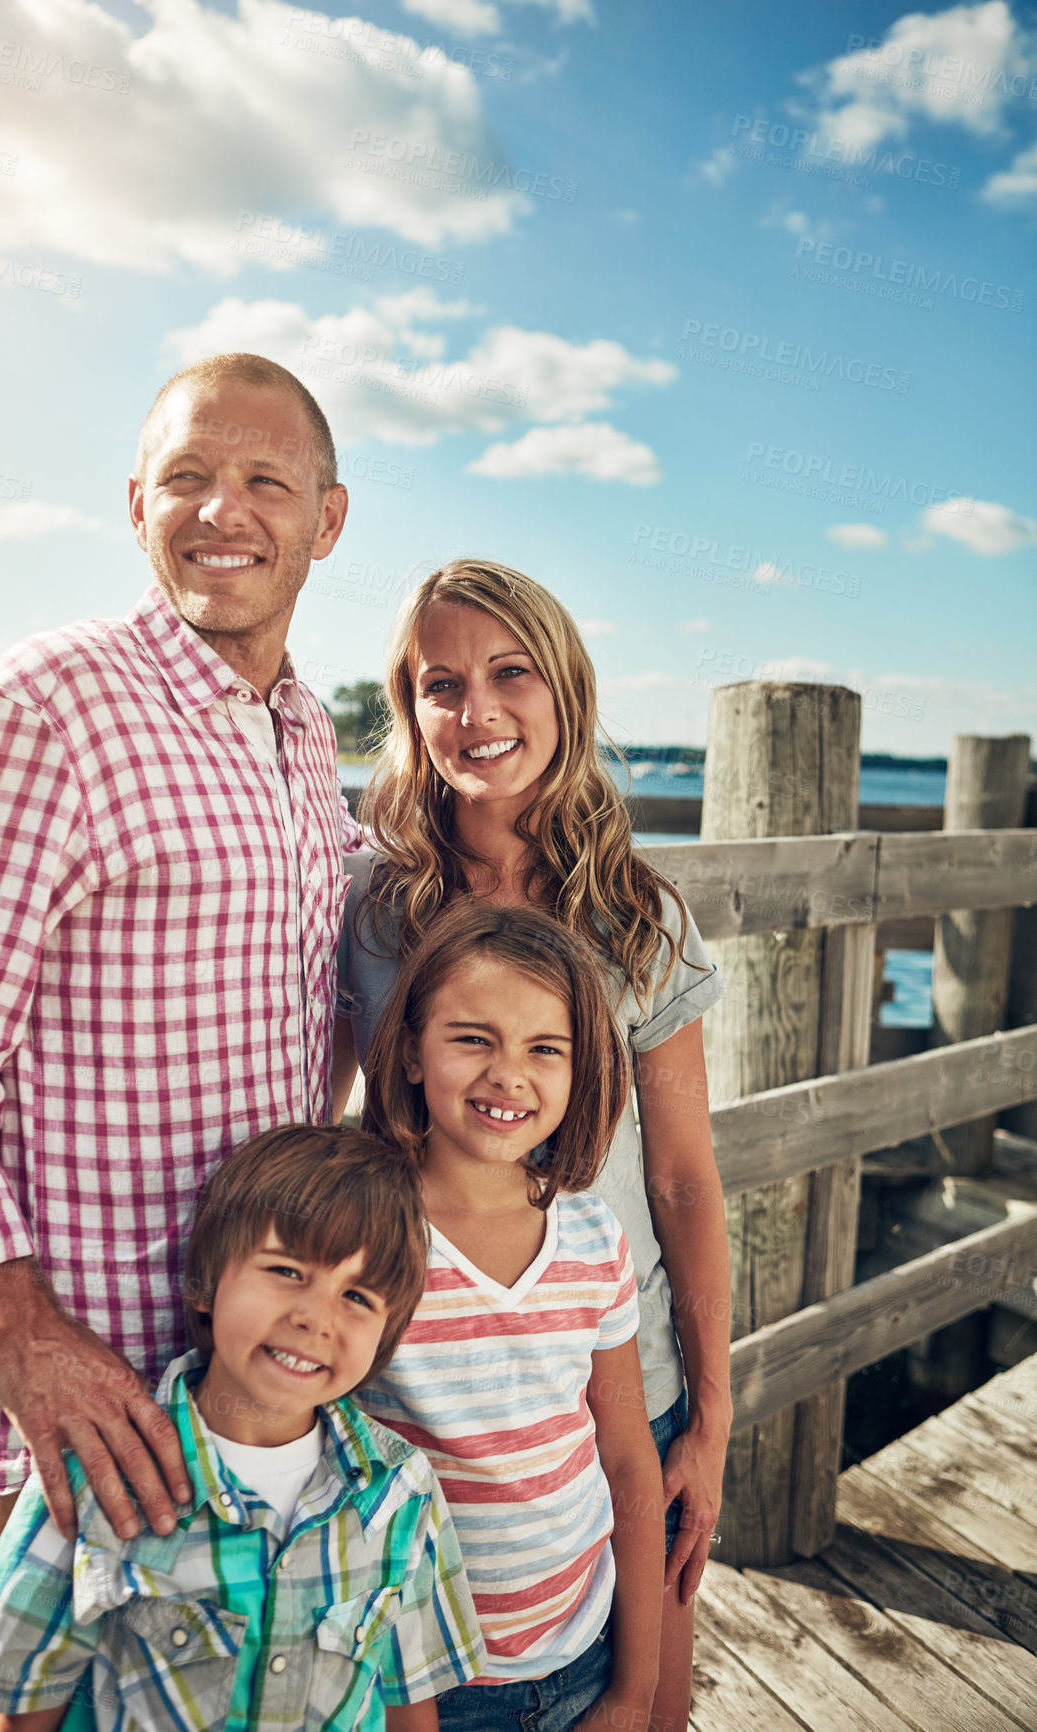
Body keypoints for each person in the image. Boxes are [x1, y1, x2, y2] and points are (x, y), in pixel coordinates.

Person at [0, 354, 357, 1583]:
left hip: (252, 1403)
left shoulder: (303, 734)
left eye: (264, 479)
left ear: (327, 518)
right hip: (83, 1412)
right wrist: (28, 1341)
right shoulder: (46, 704)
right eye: (187, 477)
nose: (222, 510)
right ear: (135, 503)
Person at [335, 559, 732, 1728]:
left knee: (643, 1702)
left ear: (564, 689)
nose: (478, 711)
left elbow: (681, 1179)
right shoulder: (368, 908)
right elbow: (338, 1136)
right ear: (407, 709)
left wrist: (708, 1418)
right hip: (423, 1397)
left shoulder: (637, 915)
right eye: (440, 683)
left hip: (621, 1395)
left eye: (511, 673)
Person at [0, 1125, 486, 1732]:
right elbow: (18, 1713)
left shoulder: (401, 1494)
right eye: (286, 1271)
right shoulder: (92, 1481)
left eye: (358, 1297)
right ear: (205, 1284)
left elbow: (408, 1703)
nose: (316, 1318)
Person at [357, 902, 665, 1732]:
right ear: (414, 1051)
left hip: (581, 1659)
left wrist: (635, 1688)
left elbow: (630, 1463)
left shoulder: (595, 1238)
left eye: (544, 1049)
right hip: (422, 1691)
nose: (509, 1074)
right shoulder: (364, 1239)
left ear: (579, 1071)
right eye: (472, 1039)